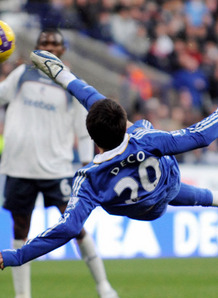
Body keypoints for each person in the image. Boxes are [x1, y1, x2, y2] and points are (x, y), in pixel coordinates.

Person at [1, 49, 218, 281]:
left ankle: (62, 75)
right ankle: (62, 74)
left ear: (92, 139)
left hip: (137, 209)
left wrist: (15, 256)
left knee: (105, 113)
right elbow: (201, 137)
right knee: (141, 128)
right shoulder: (145, 138)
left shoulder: (88, 179)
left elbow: (68, 228)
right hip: (166, 183)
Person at [0, 31, 118, 298]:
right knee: (20, 229)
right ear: (37, 48)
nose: (50, 47)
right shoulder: (20, 76)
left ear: (64, 49)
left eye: (55, 43)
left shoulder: (72, 85)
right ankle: (22, 295)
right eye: (44, 43)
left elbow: (85, 131)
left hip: (58, 169)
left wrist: (90, 167)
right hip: (19, 166)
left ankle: (104, 287)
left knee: (75, 227)